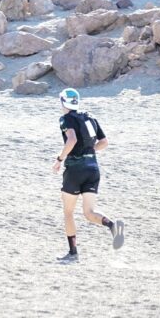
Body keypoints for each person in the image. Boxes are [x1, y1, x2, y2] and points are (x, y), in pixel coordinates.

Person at [52, 88, 124, 261]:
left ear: (63, 102)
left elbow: (72, 139)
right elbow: (104, 142)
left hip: (75, 169)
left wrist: (60, 159)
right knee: (89, 212)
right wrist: (89, 152)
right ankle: (112, 226)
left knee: (68, 212)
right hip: (92, 168)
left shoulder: (66, 119)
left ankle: (73, 252)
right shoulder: (90, 117)